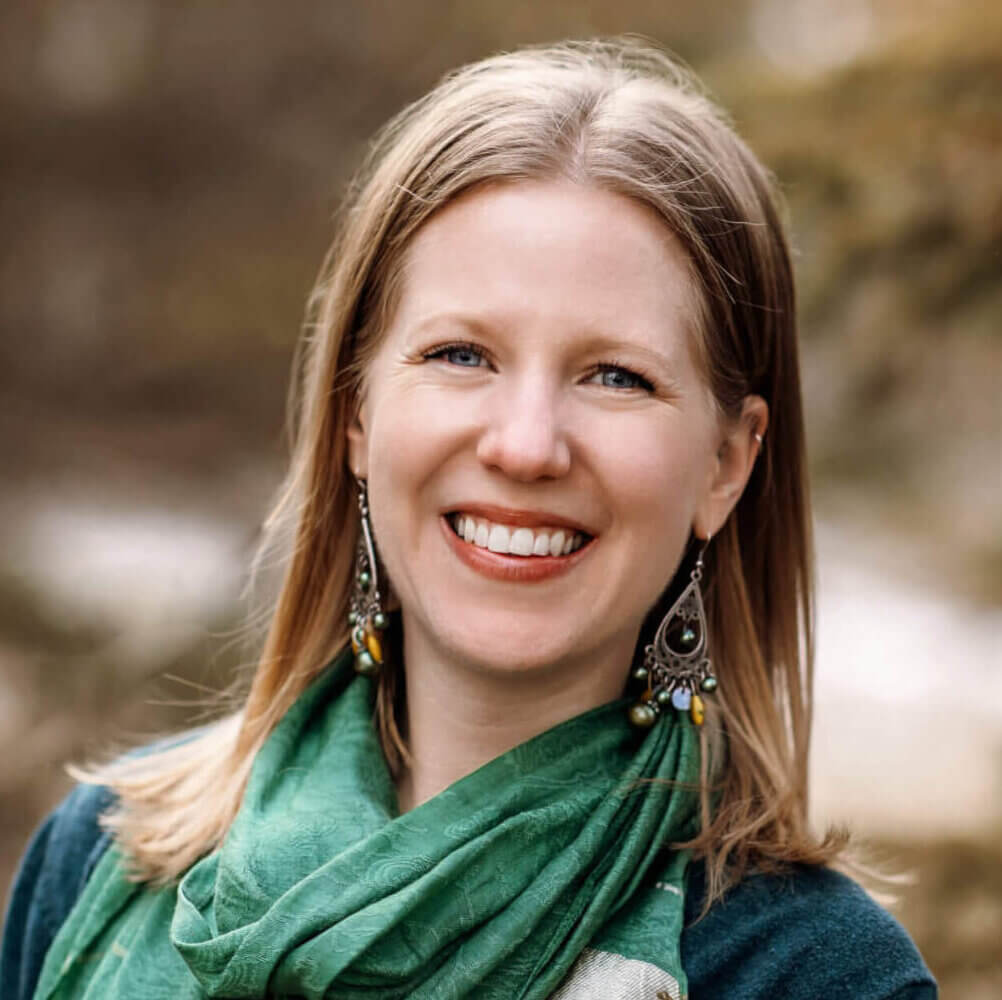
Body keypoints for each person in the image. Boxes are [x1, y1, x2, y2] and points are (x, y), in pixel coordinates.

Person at [2, 38, 936, 1000]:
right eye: (460, 355)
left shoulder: (808, 976)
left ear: (725, 463)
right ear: (356, 414)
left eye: (616, 376)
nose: (526, 445)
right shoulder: (100, 859)